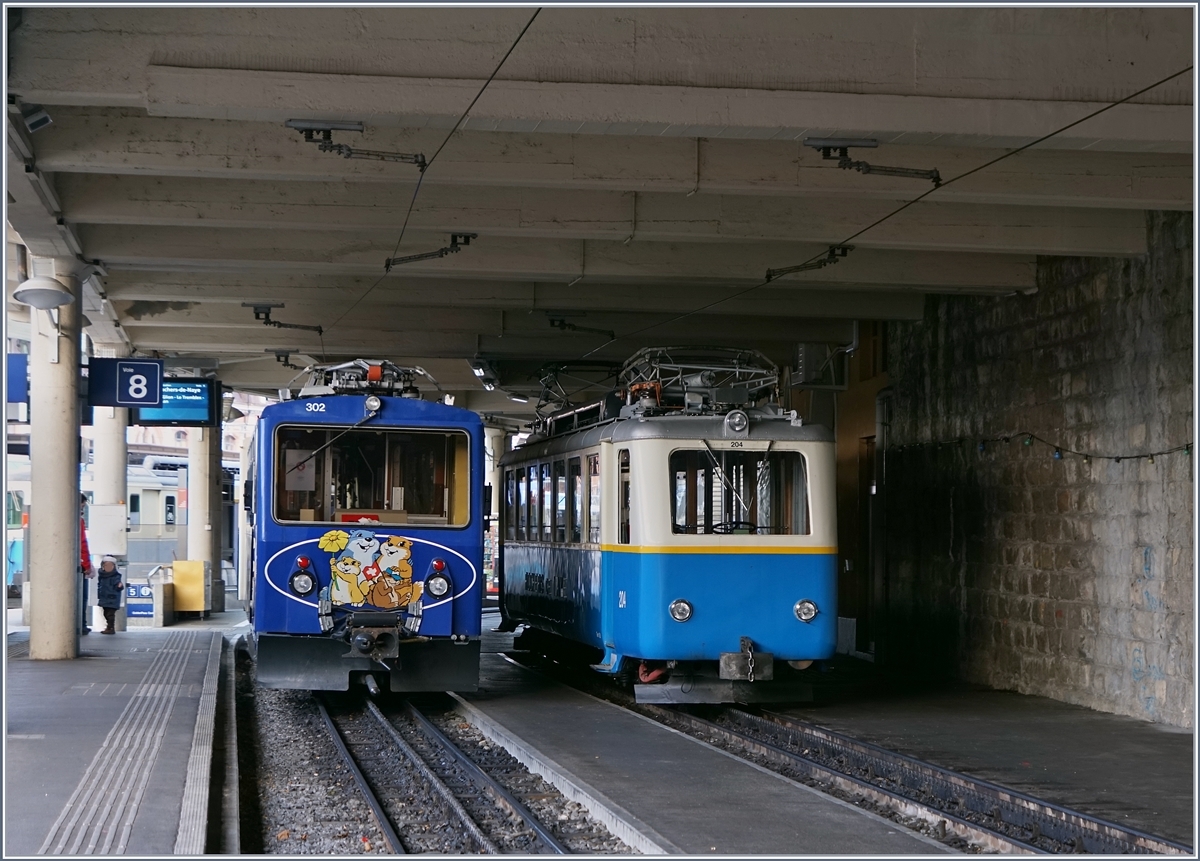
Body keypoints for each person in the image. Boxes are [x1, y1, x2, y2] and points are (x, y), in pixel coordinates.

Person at [96, 556, 123, 635]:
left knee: (110, 614)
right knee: (105, 613)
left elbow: (119, 585)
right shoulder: (101, 575)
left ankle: (111, 627)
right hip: (104, 596)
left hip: (112, 597)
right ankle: (109, 626)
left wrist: (119, 586)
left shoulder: (116, 576)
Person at [80, 494, 94, 634]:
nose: (82, 511)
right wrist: (87, 565)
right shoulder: (79, 521)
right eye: (82, 507)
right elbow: (83, 544)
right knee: (82, 597)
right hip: (79, 568)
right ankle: (81, 625)